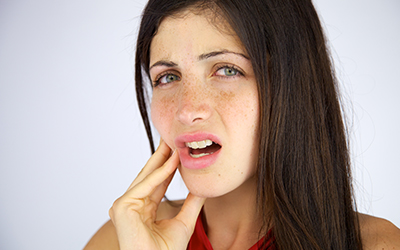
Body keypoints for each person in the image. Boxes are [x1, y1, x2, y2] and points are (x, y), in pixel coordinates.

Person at [84, 0, 400, 249]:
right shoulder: (121, 239)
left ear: (291, 87)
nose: (187, 110)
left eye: (227, 70)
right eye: (168, 77)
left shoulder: (377, 245)